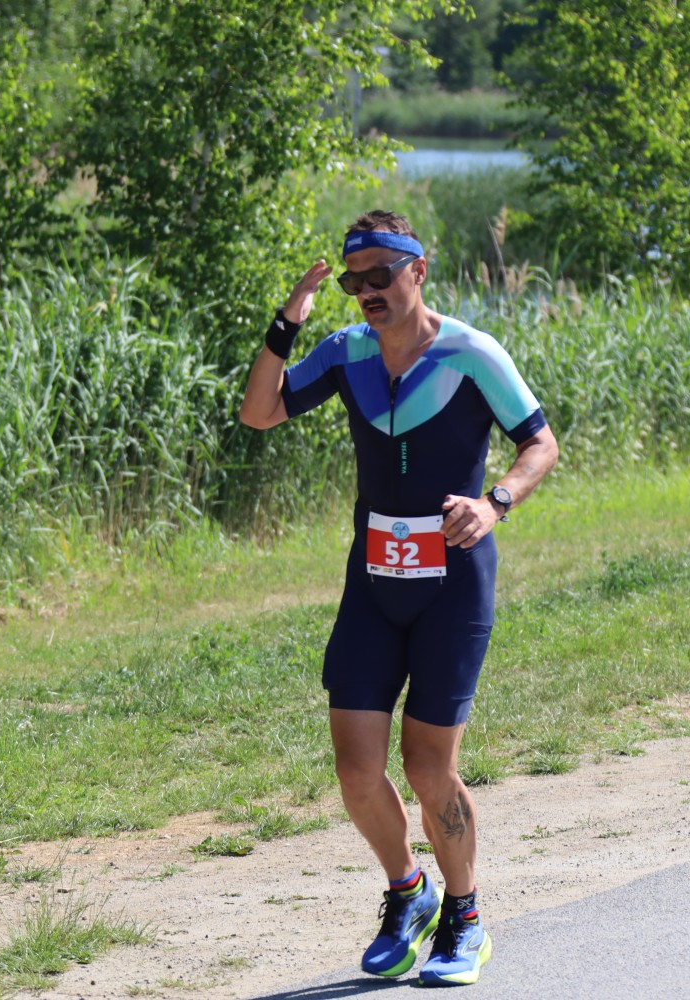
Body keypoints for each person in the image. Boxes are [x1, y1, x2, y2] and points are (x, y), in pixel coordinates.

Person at [239, 210, 558, 986]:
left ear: (419, 269)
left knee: (426, 768)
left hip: (453, 587)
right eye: (354, 282)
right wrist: (287, 322)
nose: (367, 292)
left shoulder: (471, 353)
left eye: (380, 275)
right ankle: (408, 894)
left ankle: (464, 917)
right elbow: (259, 412)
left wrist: (495, 503)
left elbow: (541, 443)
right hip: (374, 586)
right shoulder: (345, 352)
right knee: (356, 769)